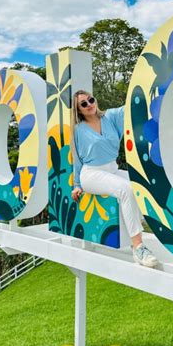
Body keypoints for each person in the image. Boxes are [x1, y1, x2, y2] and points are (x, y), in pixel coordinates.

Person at [70, 90, 158, 267]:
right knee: (125, 189)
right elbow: (77, 158)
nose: (89, 104)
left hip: (112, 169)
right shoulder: (79, 130)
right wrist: (77, 184)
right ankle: (138, 247)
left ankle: (143, 222)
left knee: (142, 183)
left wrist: (151, 89)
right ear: (78, 110)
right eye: (83, 104)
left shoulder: (110, 117)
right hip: (91, 174)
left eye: (91, 100)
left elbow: (131, 106)